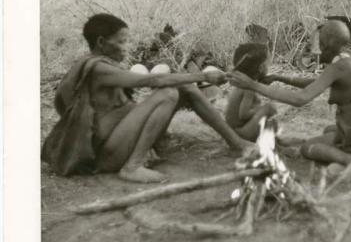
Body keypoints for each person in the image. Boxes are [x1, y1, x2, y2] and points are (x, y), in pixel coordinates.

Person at [42, 13, 252, 183]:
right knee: (168, 94)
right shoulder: (97, 68)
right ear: (101, 42)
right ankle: (133, 166)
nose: (127, 46)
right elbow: (152, 81)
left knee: (185, 86)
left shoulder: (103, 63)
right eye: (122, 42)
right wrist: (204, 76)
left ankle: (236, 143)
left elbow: (121, 107)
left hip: (118, 140)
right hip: (106, 155)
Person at [227, 19, 351, 180]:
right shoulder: (349, 61)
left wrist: (252, 85)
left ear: (326, 44)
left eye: (318, 43)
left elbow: (301, 99)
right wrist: (280, 77)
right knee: (329, 132)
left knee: (309, 148)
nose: (314, 49)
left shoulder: (338, 67)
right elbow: (317, 82)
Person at [225, 43, 277, 141]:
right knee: (269, 108)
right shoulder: (249, 87)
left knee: (271, 121)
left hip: (232, 131)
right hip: (241, 133)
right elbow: (243, 114)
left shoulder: (241, 83)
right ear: (261, 67)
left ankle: (274, 140)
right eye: (268, 64)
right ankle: (273, 142)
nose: (268, 67)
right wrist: (261, 108)